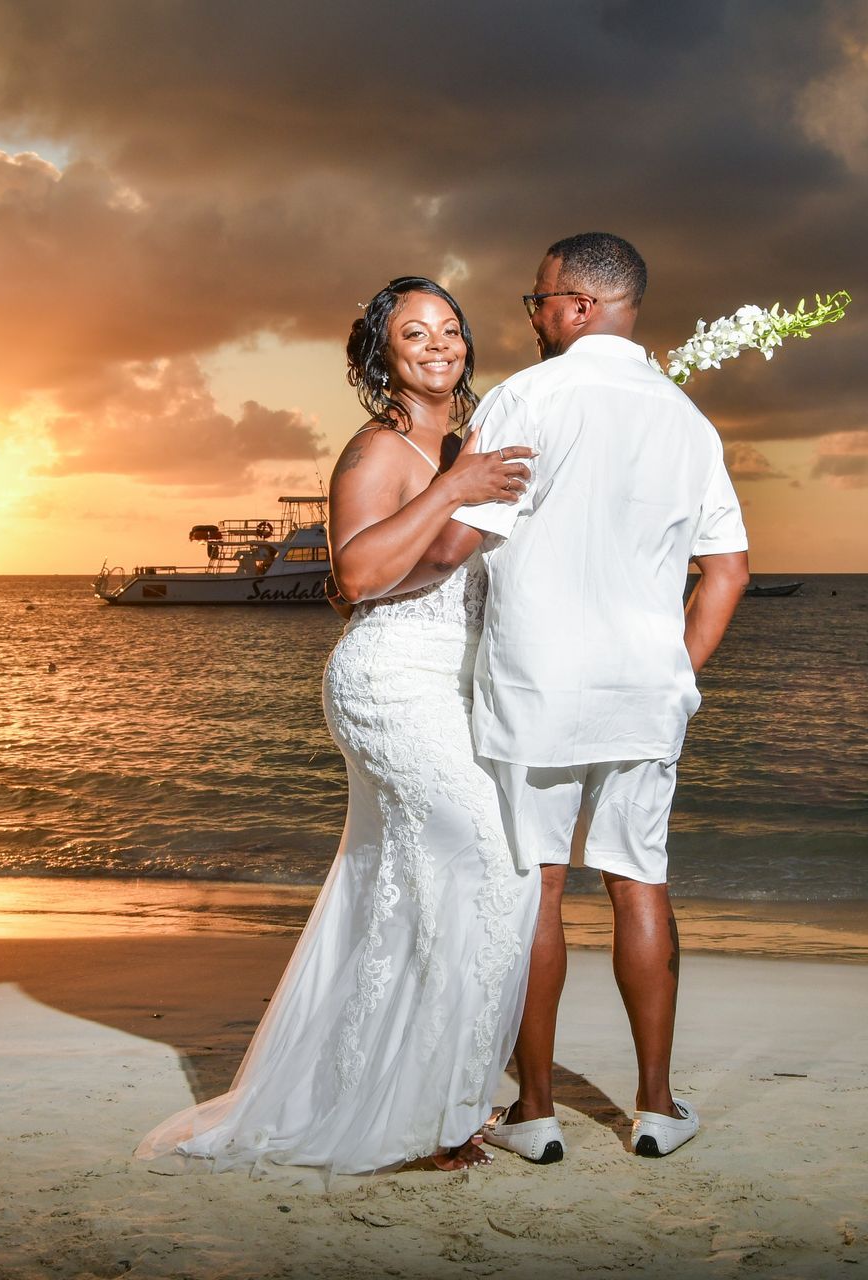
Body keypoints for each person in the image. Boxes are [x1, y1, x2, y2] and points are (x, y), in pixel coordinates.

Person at [135, 277, 540, 1176]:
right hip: (389, 681)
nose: (438, 345)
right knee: (493, 860)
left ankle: (420, 1103)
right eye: (413, 333)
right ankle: (425, 1114)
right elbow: (354, 576)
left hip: (457, 684)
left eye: (449, 328)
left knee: (412, 888)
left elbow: (447, 565)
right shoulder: (377, 448)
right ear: (380, 355)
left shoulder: (472, 441)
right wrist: (454, 488)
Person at [423, 232, 750, 1162]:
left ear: (576, 306)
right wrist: (676, 674)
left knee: (538, 886)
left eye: (537, 301)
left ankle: (534, 1114)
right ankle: (656, 1108)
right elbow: (727, 572)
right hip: (644, 689)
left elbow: (452, 543)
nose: (531, 317)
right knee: (639, 881)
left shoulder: (526, 398)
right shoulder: (688, 419)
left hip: (534, 682)